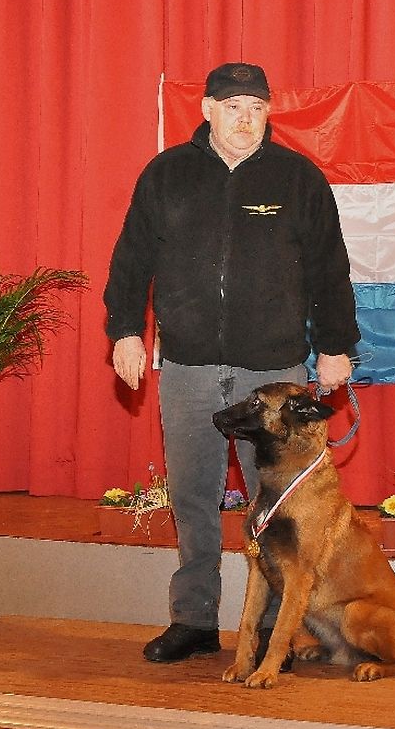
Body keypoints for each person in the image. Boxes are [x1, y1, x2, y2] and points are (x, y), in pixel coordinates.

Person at [103, 62, 360, 663]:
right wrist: (125, 331)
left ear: (268, 113)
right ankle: (193, 619)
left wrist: (336, 344)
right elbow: (131, 260)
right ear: (208, 110)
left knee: (276, 509)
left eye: (256, 108)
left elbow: (330, 268)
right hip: (188, 368)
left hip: (273, 374)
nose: (245, 120)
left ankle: (270, 632)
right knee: (192, 498)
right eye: (233, 107)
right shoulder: (166, 175)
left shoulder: (298, 178)